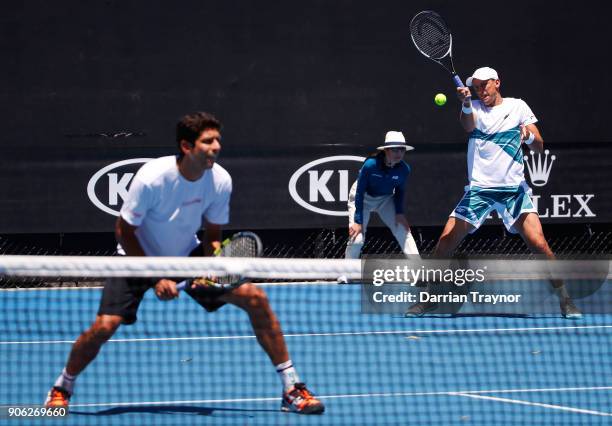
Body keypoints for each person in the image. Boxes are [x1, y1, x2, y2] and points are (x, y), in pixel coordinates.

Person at [45, 112, 324, 415]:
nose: (216, 146)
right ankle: (62, 387)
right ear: (187, 146)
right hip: (136, 258)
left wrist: (212, 267)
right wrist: (155, 277)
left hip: (186, 256)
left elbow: (213, 238)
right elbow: (124, 232)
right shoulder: (153, 178)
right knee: (104, 326)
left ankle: (292, 388)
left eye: (218, 140)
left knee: (256, 298)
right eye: (208, 141)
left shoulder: (220, 180)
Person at [405, 67, 581, 319]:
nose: (480, 90)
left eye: (483, 85)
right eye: (475, 86)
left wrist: (527, 134)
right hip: (479, 191)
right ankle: (429, 298)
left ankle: (565, 300)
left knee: (539, 244)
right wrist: (466, 103)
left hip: (513, 191)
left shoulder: (518, 106)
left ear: (497, 82)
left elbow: (540, 146)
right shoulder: (473, 108)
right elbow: (467, 126)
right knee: (445, 241)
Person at [344, 131, 420, 260]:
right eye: (395, 150)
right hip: (363, 199)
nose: (399, 153)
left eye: (402, 150)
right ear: (386, 150)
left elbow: (400, 191)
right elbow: (359, 192)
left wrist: (399, 214)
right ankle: (346, 273)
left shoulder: (404, 169)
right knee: (357, 239)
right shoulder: (370, 165)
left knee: (403, 231)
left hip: (385, 199)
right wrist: (358, 221)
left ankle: (420, 270)